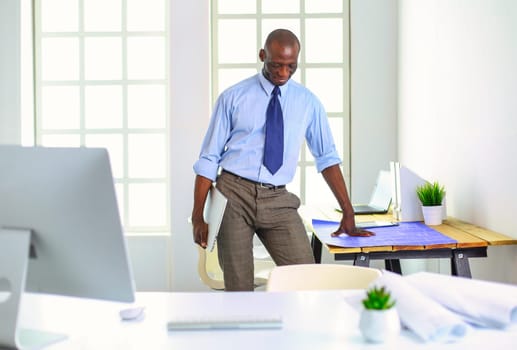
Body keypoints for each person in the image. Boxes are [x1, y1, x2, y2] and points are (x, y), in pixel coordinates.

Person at [192, 29, 373, 291]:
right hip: (233, 194)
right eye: (276, 65)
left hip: (278, 199)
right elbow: (208, 159)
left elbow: (327, 158)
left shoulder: (308, 103)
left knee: (307, 283)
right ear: (262, 55)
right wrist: (198, 216)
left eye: (291, 66)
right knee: (239, 290)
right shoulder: (233, 98)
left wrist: (348, 210)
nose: (283, 73)